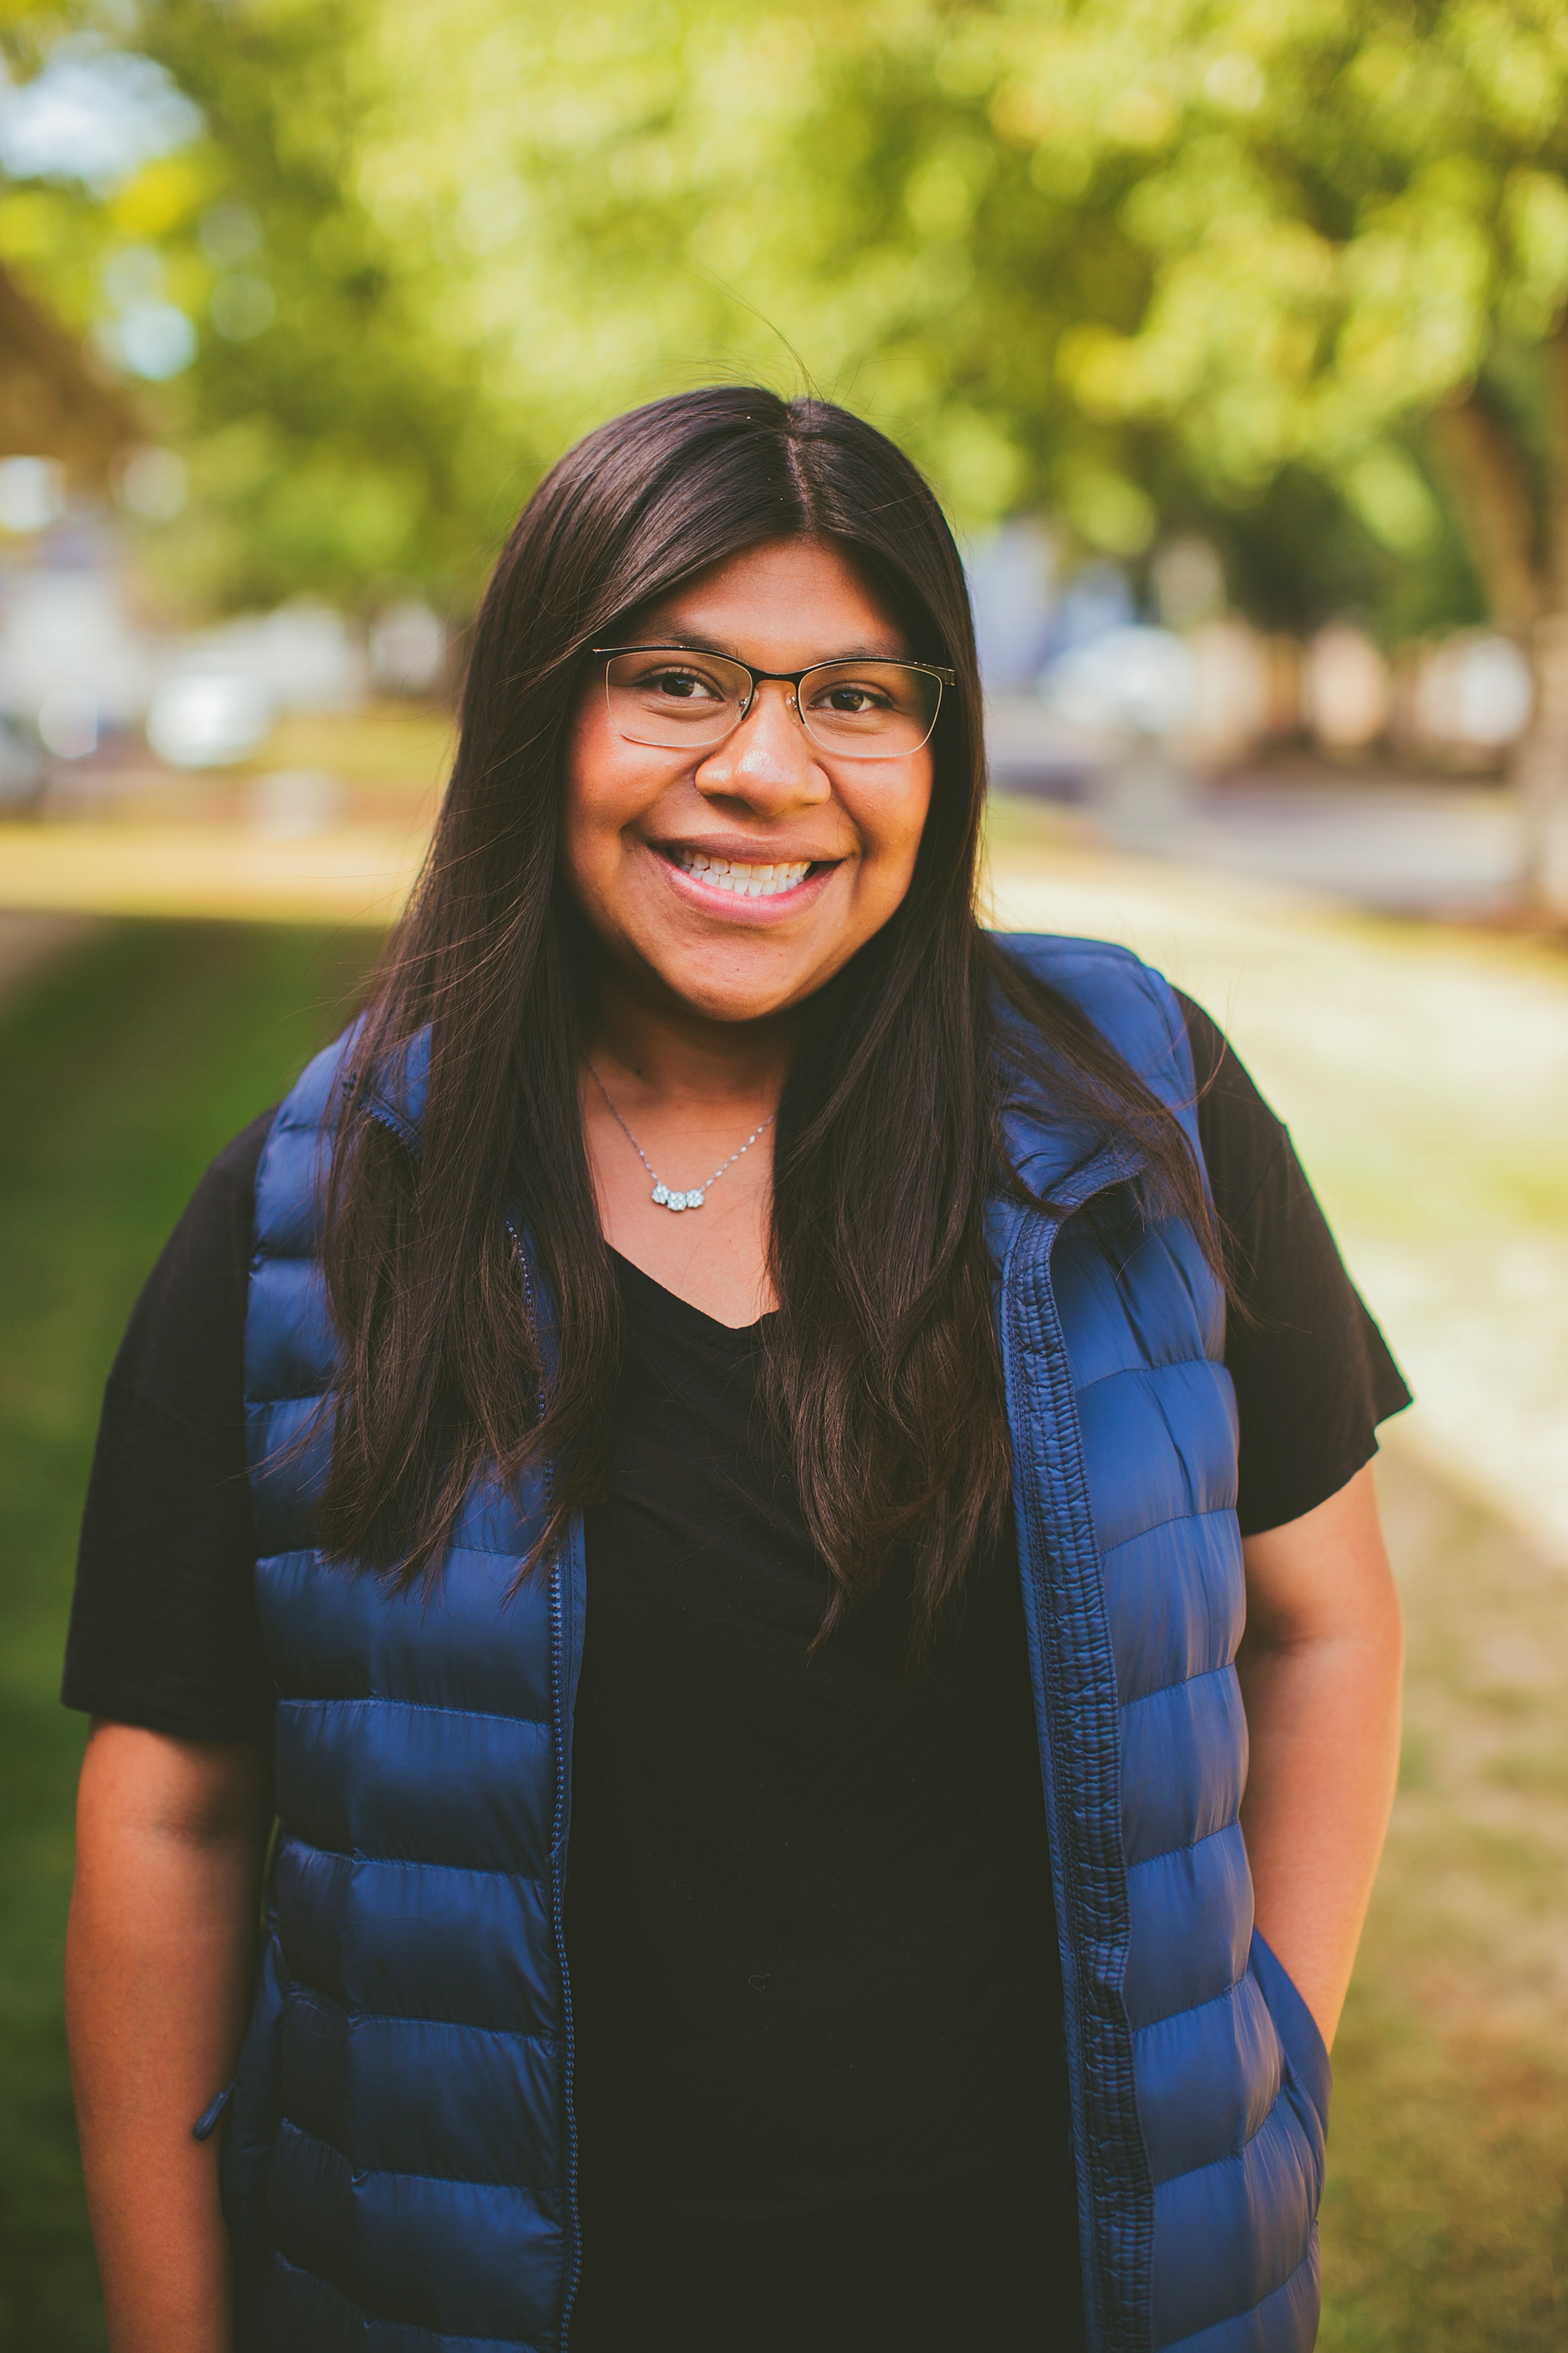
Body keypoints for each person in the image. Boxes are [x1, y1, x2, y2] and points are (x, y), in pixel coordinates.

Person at [62, 388, 1406, 2353]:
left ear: (938, 746)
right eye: (681, 680)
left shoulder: (1142, 1109)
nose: (770, 769)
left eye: (858, 697)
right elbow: (171, 1811)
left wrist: (1258, 2066)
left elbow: (1324, 1627)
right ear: (538, 714)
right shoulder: (322, 1206)